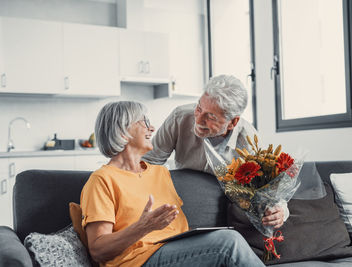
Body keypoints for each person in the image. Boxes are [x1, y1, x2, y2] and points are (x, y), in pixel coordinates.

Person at [80, 101, 266, 267]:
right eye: (144, 122)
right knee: (228, 243)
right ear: (122, 132)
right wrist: (143, 227)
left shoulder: (160, 172)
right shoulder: (102, 180)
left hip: (176, 251)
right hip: (137, 260)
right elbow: (97, 250)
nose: (152, 128)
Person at [143, 74, 287, 228]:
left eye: (210, 117)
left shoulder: (249, 143)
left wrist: (279, 212)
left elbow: (271, 194)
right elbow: (149, 162)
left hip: (223, 217)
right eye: (199, 108)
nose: (198, 120)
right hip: (179, 207)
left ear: (233, 122)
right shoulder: (180, 117)